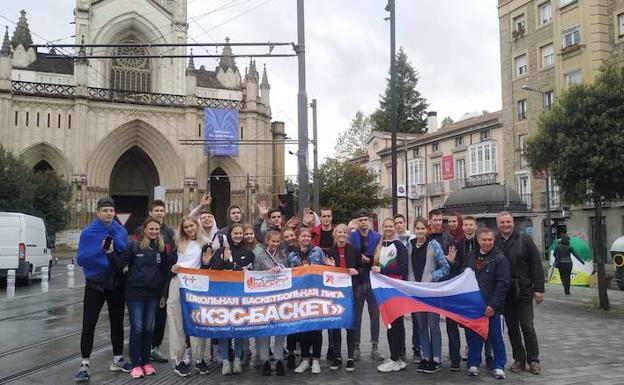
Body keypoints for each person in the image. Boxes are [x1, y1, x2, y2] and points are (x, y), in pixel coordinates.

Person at [74, 197, 132, 383]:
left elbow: (125, 253)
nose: (108, 213)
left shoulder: (120, 231)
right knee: (88, 324)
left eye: (111, 210)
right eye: (105, 210)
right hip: (95, 284)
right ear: (97, 212)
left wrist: (112, 252)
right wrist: (102, 252)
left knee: (117, 323)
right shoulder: (88, 232)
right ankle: (84, 364)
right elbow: (82, 258)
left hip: (115, 283)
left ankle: (117, 359)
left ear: (115, 213)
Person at [201, 223, 254, 375]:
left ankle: (237, 360)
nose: (237, 235)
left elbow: (252, 273)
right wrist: (224, 260)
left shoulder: (248, 253)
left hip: (240, 298)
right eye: (235, 233)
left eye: (240, 233)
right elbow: (213, 270)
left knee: (238, 331)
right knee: (223, 331)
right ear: (229, 235)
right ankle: (225, 361)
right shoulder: (218, 252)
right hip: (222, 298)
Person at [495, 211, 545, 374]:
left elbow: (536, 265)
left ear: (513, 222)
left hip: (523, 290)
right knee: (512, 328)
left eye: (508, 222)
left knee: (527, 325)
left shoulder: (525, 240)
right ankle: (519, 359)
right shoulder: (494, 242)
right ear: (497, 224)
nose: (505, 225)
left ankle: (534, 359)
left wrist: (539, 289)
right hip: (505, 292)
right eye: (502, 222)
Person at [123, 217, 169, 379]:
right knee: (137, 328)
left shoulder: (161, 247)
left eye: (157, 229)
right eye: (151, 229)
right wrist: (109, 252)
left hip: (153, 295)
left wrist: (163, 294)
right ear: (144, 229)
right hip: (135, 294)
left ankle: (146, 362)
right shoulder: (133, 246)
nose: (154, 232)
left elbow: (165, 272)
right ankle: (136, 364)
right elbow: (120, 264)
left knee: (148, 329)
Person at [464, 227, 511, 380]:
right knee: (474, 336)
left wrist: (493, 305)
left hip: (492, 307)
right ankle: (473, 363)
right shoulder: (470, 256)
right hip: (474, 306)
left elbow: (503, 283)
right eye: (484, 240)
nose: (487, 243)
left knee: (496, 336)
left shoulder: (500, 258)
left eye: (490, 240)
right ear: (478, 240)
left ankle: (499, 366)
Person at [133, 200, 175, 364]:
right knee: (142, 320)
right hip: (144, 282)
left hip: (163, 280)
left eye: (161, 210)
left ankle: (155, 348)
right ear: (150, 213)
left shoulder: (170, 233)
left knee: (160, 317)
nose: (159, 213)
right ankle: (142, 350)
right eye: (156, 210)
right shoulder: (140, 231)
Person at [166, 216, 209, 377]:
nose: (190, 229)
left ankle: (199, 359)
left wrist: (205, 263)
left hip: (197, 285)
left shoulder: (205, 243)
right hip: (178, 283)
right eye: (186, 227)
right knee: (176, 323)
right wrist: (172, 268)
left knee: (198, 322)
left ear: (197, 226)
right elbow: (168, 264)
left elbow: (207, 265)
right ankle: (179, 360)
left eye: (192, 226)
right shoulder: (177, 243)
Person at [288, 227, 334, 374]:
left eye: (308, 236)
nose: (306, 238)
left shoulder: (317, 251)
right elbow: (288, 275)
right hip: (300, 296)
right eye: (303, 236)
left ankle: (316, 360)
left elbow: (325, 269)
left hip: (316, 294)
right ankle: (305, 359)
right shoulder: (292, 255)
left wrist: (331, 267)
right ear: (298, 238)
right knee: (304, 329)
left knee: (316, 328)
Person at [410, 217, 450, 374]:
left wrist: (433, 277)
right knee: (421, 326)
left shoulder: (433, 245)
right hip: (417, 291)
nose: (420, 231)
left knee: (433, 325)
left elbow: (445, 267)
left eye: (422, 229)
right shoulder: (410, 245)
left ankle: (437, 358)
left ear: (426, 230)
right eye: (417, 228)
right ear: (414, 229)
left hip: (431, 291)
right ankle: (426, 357)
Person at [371, 218, 408, 373]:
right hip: (384, 290)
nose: (388, 228)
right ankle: (396, 358)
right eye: (385, 226)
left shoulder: (399, 246)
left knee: (395, 324)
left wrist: (382, 271)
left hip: (395, 290)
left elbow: (403, 268)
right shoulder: (379, 246)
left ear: (395, 228)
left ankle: (395, 358)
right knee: (391, 324)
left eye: (390, 226)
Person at [347, 209, 383, 361]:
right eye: (360, 220)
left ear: (369, 220)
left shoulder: (377, 237)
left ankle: (375, 346)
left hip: (372, 279)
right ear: (357, 222)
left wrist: (370, 259)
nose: (363, 222)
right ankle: (356, 347)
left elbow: (379, 256)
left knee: (375, 315)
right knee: (357, 315)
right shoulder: (351, 236)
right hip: (357, 280)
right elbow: (349, 253)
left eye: (365, 219)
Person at [326, 224, 363, 372]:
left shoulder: (354, 251)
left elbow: (362, 269)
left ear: (347, 235)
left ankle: (349, 357)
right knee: (336, 326)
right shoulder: (329, 252)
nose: (341, 234)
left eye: (344, 232)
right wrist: (329, 267)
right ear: (334, 235)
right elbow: (326, 274)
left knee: (350, 326)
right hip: (335, 293)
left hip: (351, 292)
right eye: (339, 232)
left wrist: (357, 271)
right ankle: (337, 356)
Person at [428, 209, 461, 370]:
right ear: (430, 221)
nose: (438, 222)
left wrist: (450, 261)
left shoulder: (449, 238)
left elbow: (455, 262)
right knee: (431, 324)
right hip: (430, 287)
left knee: (451, 324)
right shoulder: (424, 238)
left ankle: (455, 358)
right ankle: (432, 355)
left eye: (440, 220)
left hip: (447, 285)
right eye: (435, 220)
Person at [460, 216, 494, 368]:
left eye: (471, 225)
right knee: (472, 325)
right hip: (469, 292)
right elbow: (463, 268)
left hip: (486, 292)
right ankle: (473, 356)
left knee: (489, 326)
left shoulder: (488, 246)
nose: (468, 227)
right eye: (465, 225)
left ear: (475, 226)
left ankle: (490, 354)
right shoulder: (458, 244)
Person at [253, 231, 289, 376]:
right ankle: (265, 360)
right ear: (267, 241)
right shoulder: (260, 255)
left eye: (277, 241)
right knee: (264, 330)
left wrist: (281, 270)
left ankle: (279, 359)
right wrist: (268, 272)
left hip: (280, 297)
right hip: (264, 297)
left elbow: (288, 273)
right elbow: (254, 274)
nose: (275, 244)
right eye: (272, 241)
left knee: (280, 330)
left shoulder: (282, 255)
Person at [394, 213, 420, 361]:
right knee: (399, 318)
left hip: (412, 281)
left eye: (400, 222)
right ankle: (401, 348)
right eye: (396, 223)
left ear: (405, 223)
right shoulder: (392, 240)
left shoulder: (413, 239)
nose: (398, 225)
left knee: (417, 318)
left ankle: (417, 348)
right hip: (398, 282)